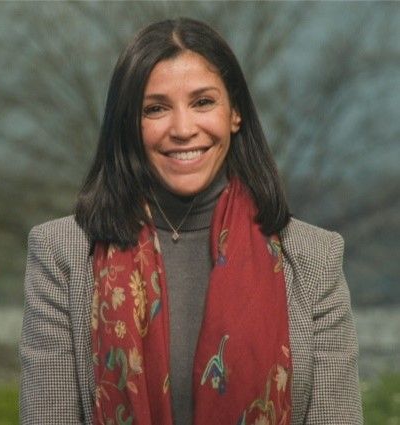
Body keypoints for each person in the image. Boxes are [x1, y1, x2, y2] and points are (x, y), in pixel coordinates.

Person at [19, 17, 363, 425]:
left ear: (235, 113)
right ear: (128, 124)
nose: (183, 129)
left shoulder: (314, 258)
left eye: (203, 102)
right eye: (156, 108)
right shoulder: (63, 254)